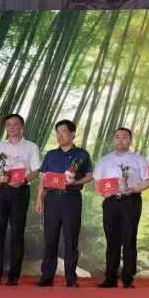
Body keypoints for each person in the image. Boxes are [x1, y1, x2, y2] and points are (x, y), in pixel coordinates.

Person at [0, 114, 41, 286]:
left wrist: (23, 180)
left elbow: (36, 171)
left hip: (20, 192)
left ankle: (14, 276)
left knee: (17, 232)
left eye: (15, 124)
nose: (12, 128)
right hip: (0, 191)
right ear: (6, 128)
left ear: (22, 126)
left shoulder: (31, 147)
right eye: (8, 125)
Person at [35, 120, 93, 288]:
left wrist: (75, 182)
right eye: (57, 132)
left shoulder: (82, 154)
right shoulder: (51, 154)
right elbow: (43, 178)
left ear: (73, 134)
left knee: (71, 239)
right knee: (50, 239)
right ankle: (47, 277)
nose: (60, 135)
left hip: (71, 199)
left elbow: (89, 176)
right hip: (52, 199)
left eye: (63, 131)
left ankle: (71, 278)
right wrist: (39, 199)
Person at [93, 127, 149, 289]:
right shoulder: (105, 160)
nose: (121, 140)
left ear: (130, 140)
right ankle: (110, 278)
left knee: (129, 238)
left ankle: (128, 278)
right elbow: (97, 182)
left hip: (131, 201)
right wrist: (104, 193)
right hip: (111, 202)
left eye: (125, 137)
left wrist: (134, 189)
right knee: (112, 240)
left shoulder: (138, 159)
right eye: (117, 137)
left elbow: (148, 181)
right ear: (113, 140)